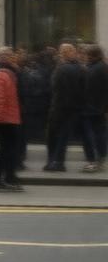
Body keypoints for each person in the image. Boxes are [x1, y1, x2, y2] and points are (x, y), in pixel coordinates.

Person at [45, 43, 84, 172]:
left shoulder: (62, 68)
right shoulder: (80, 68)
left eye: (63, 52)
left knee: (55, 135)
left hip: (60, 107)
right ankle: (57, 161)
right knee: (62, 136)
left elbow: (55, 88)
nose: (60, 54)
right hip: (72, 107)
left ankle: (54, 161)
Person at [0, 46, 24, 191]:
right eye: (9, 55)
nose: (13, 57)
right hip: (6, 118)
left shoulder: (11, 72)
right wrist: (0, 117)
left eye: (12, 55)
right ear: (2, 57)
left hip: (11, 115)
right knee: (6, 149)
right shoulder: (1, 74)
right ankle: (3, 178)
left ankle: (5, 177)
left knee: (8, 149)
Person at [80, 45, 108, 173]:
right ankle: (100, 160)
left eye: (86, 54)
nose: (84, 56)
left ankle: (95, 161)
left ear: (92, 55)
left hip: (92, 108)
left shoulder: (97, 68)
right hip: (97, 107)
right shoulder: (99, 67)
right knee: (99, 134)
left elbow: (89, 89)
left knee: (93, 135)